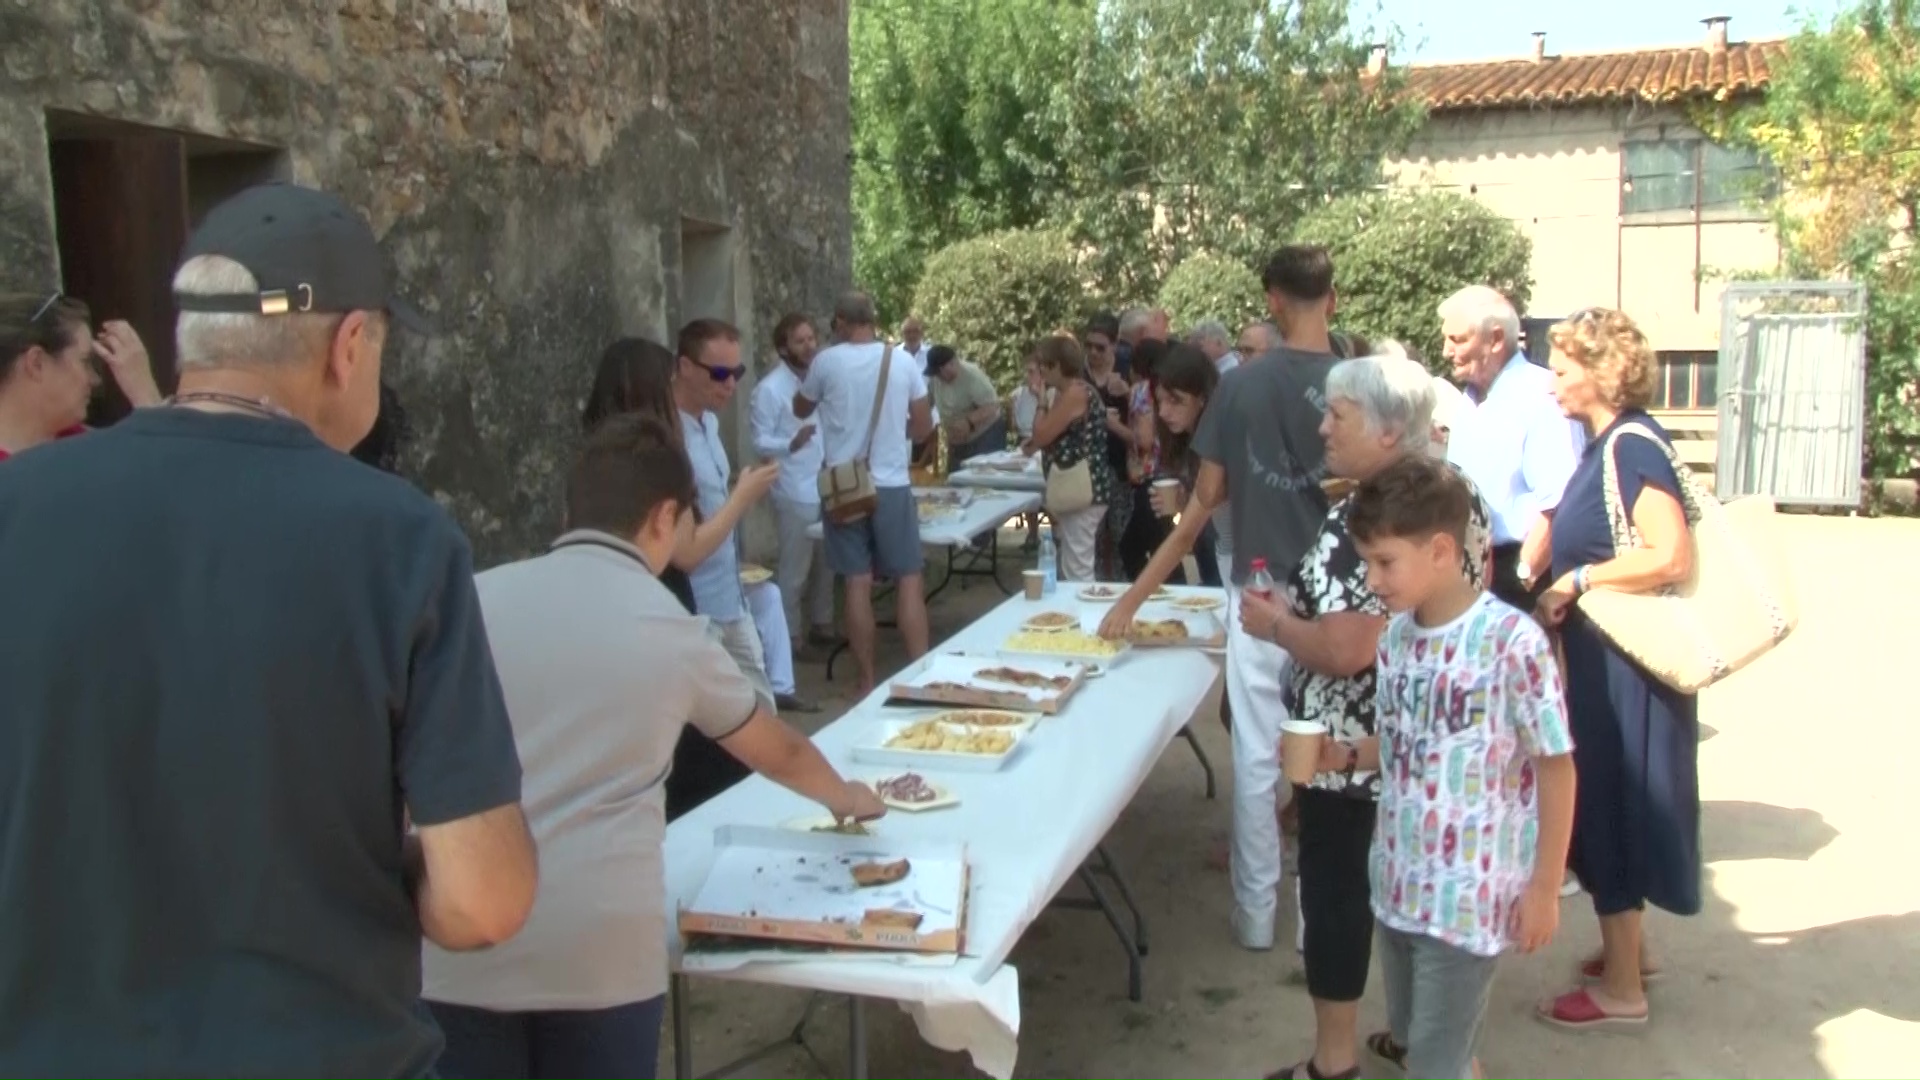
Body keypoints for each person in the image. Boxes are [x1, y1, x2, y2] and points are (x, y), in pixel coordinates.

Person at [0, 183, 538, 1079]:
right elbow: (483, 902)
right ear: (350, 345)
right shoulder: (398, 542)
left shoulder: (17, 505)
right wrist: (381, 866)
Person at [422, 413, 884, 1080]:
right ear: (667, 518)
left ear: (566, 510)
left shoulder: (469, 598)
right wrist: (845, 796)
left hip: (459, 935)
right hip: (599, 953)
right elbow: (774, 749)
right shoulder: (672, 629)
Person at [1234, 353, 1491, 1080]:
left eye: (1337, 415)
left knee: (1341, 897)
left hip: (1352, 750)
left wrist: (1278, 627)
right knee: (1415, 906)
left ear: (1386, 432)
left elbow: (1350, 647)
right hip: (1417, 742)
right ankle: (1431, 1047)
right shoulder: (1456, 492)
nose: (1322, 427)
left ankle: (1334, 1063)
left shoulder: (1375, 517)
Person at [1100, 245, 1346, 953]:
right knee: (1334, 760)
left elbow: (1198, 512)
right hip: (1341, 594)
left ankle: (1254, 916)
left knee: (1257, 757)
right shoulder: (1357, 382)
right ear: (1331, 297)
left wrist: (1134, 599)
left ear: (1272, 298)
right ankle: (1316, 925)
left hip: (1261, 588)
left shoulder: (1239, 387)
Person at [1346, 455, 1577, 1080]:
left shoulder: (1512, 641)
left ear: (1443, 551)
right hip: (1397, 883)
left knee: (1433, 1062)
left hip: (1468, 901)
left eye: (1384, 561)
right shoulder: (1395, 639)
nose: (1371, 578)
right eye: (1366, 561)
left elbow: (1557, 767)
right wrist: (1343, 755)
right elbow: (1403, 743)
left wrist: (1543, 887)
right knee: (1417, 1040)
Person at [1533, 307, 1700, 1032]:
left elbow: (1670, 554)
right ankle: (1629, 954)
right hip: (1612, 662)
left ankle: (1623, 988)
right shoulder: (1611, 443)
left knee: (1613, 804)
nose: (1553, 384)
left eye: (1563, 369)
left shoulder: (1630, 446)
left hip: (1627, 669)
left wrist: (1579, 581)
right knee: (1610, 799)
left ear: (1600, 373)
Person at [582, 338, 753, 815]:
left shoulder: (589, 460)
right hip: (657, 602)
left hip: (610, 609)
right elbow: (688, 552)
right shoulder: (656, 462)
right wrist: (742, 496)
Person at [795, 290, 935, 693]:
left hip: (844, 486)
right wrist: (893, 432)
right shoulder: (904, 361)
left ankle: (866, 679)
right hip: (891, 482)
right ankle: (921, 673)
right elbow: (924, 428)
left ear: (840, 322)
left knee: (856, 582)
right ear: (872, 319)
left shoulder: (824, 362)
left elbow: (800, 409)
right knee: (909, 579)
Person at [674, 319, 812, 714]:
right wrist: (741, 497)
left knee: (762, 712)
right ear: (684, 367)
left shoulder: (709, 424)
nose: (730, 385)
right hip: (698, 608)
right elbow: (687, 546)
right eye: (719, 374)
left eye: (736, 373)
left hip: (730, 597)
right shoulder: (670, 435)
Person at [1440, 285, 1585, 611]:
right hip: (1473, 569)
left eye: (1458, 340)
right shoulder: (1470, 399)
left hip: (1518, 574)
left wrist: (1524, 576)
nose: (1447, 351)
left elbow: (1558, 503)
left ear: (1494, 340)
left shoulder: (1540, 397)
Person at [750, 313, 837, 655]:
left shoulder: (822, 381)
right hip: (794, 487)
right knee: (795, 566)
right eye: (799, 341)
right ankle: (791, 637)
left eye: (811, 338)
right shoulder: (769, 390)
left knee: (828, 562)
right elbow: (759, 440)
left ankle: (823, 623)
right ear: (783, 348)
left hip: (827, 483)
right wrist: (790, 443)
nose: (808, 345)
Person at [0, 293, 161, 460]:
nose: (95, 379)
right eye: (84, 361)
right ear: (37, 364)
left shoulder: (85, 444)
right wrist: (148, 400)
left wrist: (146, 397)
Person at [1023, 334, 1117, 583]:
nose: (1041, 371)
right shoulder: (1070, 392)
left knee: (1078, 569)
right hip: (1082, 489)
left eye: (1045, 364)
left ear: (1058, 365)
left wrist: (1041, 401)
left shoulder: (1075, 393)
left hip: (1084, 491)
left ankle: (1086, 619)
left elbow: (1042, 435)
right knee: (1073, 563)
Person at [1149, 342, 1223, 588]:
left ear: (1202, 398)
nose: (1163, 412)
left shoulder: (1221, 443)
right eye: (1160, 401)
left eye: (1175, 401)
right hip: (1210, 567)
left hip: (1233, 569)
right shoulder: (1183, 443)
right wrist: (1181, 505)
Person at [1119, 338, 1171, 579]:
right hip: (1165, 474)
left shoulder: (1143, 391)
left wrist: (1112, 425)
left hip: (1146, 475)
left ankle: (1154, 592)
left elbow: (1143, 440)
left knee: (1137, 547)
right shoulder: (1166, 390)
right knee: (1156, 544)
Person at [927, 344, 1006, 465]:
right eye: (936, 372)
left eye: (941, 371)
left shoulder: (972, 375)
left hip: (985, 435)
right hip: (956, 441)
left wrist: (969, 422)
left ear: (952, 363)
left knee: (981, 478)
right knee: (956, 478)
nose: (939, 376)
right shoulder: (935, 380)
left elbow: (992, 406)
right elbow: (928, 402)